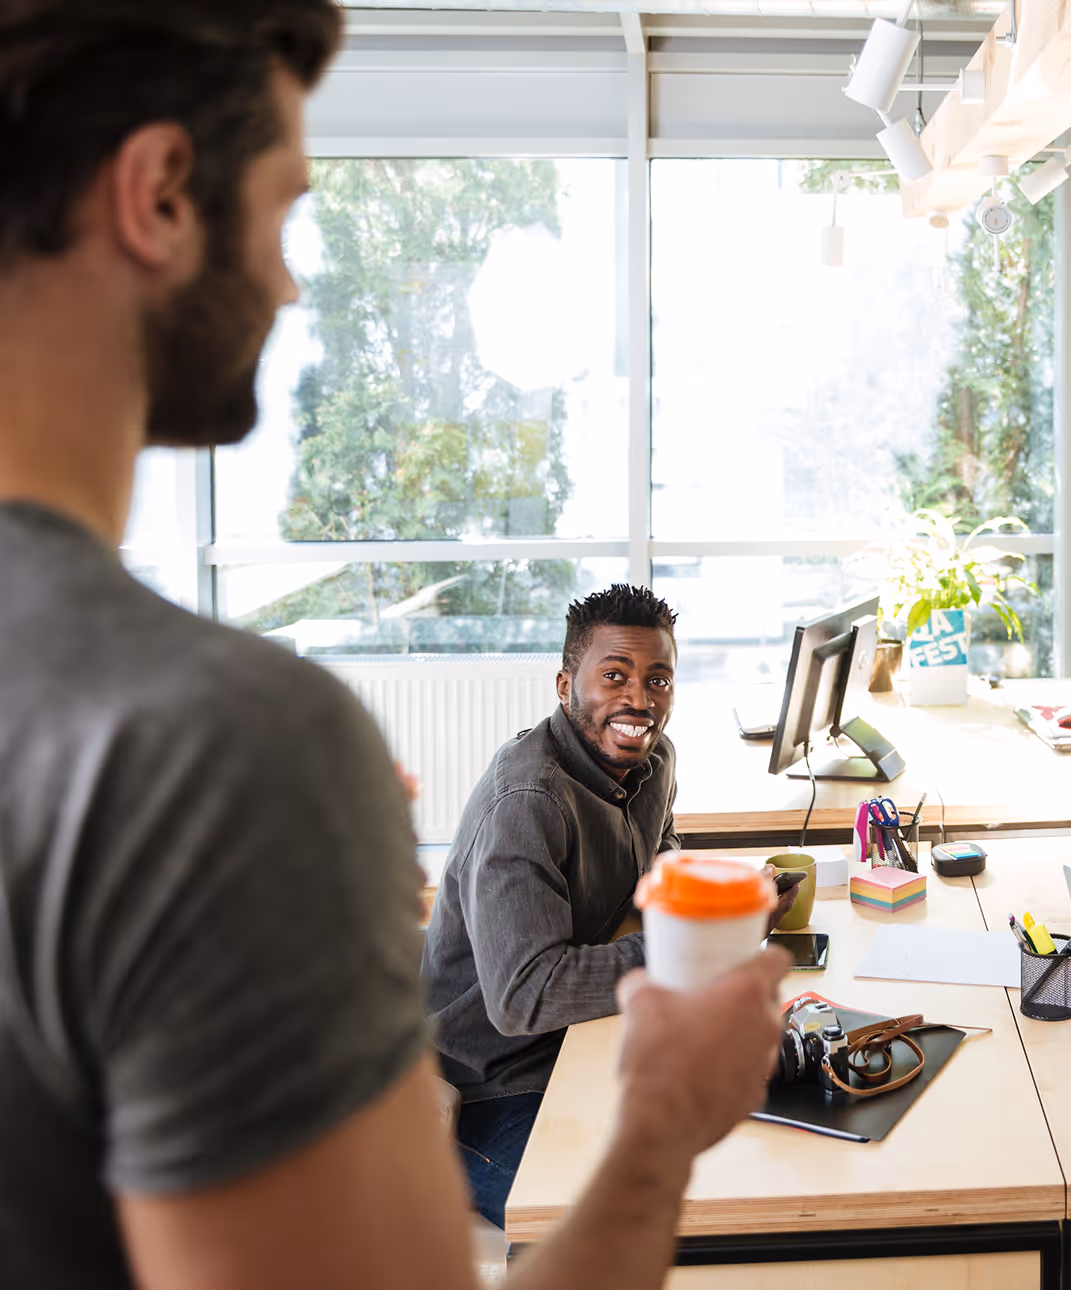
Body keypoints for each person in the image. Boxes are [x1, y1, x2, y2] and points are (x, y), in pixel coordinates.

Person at [0, 4, 787, 1287]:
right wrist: (662, 1124)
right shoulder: (222, 740)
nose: (291, 278)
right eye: (281, 208)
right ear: (155, 196)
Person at [422, 583, 799, 1226]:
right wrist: (704, 943)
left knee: (756, 1139)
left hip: (588, 1039)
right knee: (622, 1223)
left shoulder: (653, 761)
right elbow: (525, 998)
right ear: (566, 685)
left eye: (658, 680)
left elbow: (661, 851)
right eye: (615, 676)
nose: (639, 700)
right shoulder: (527, 802)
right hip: (490, 1086)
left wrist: (721, 898)